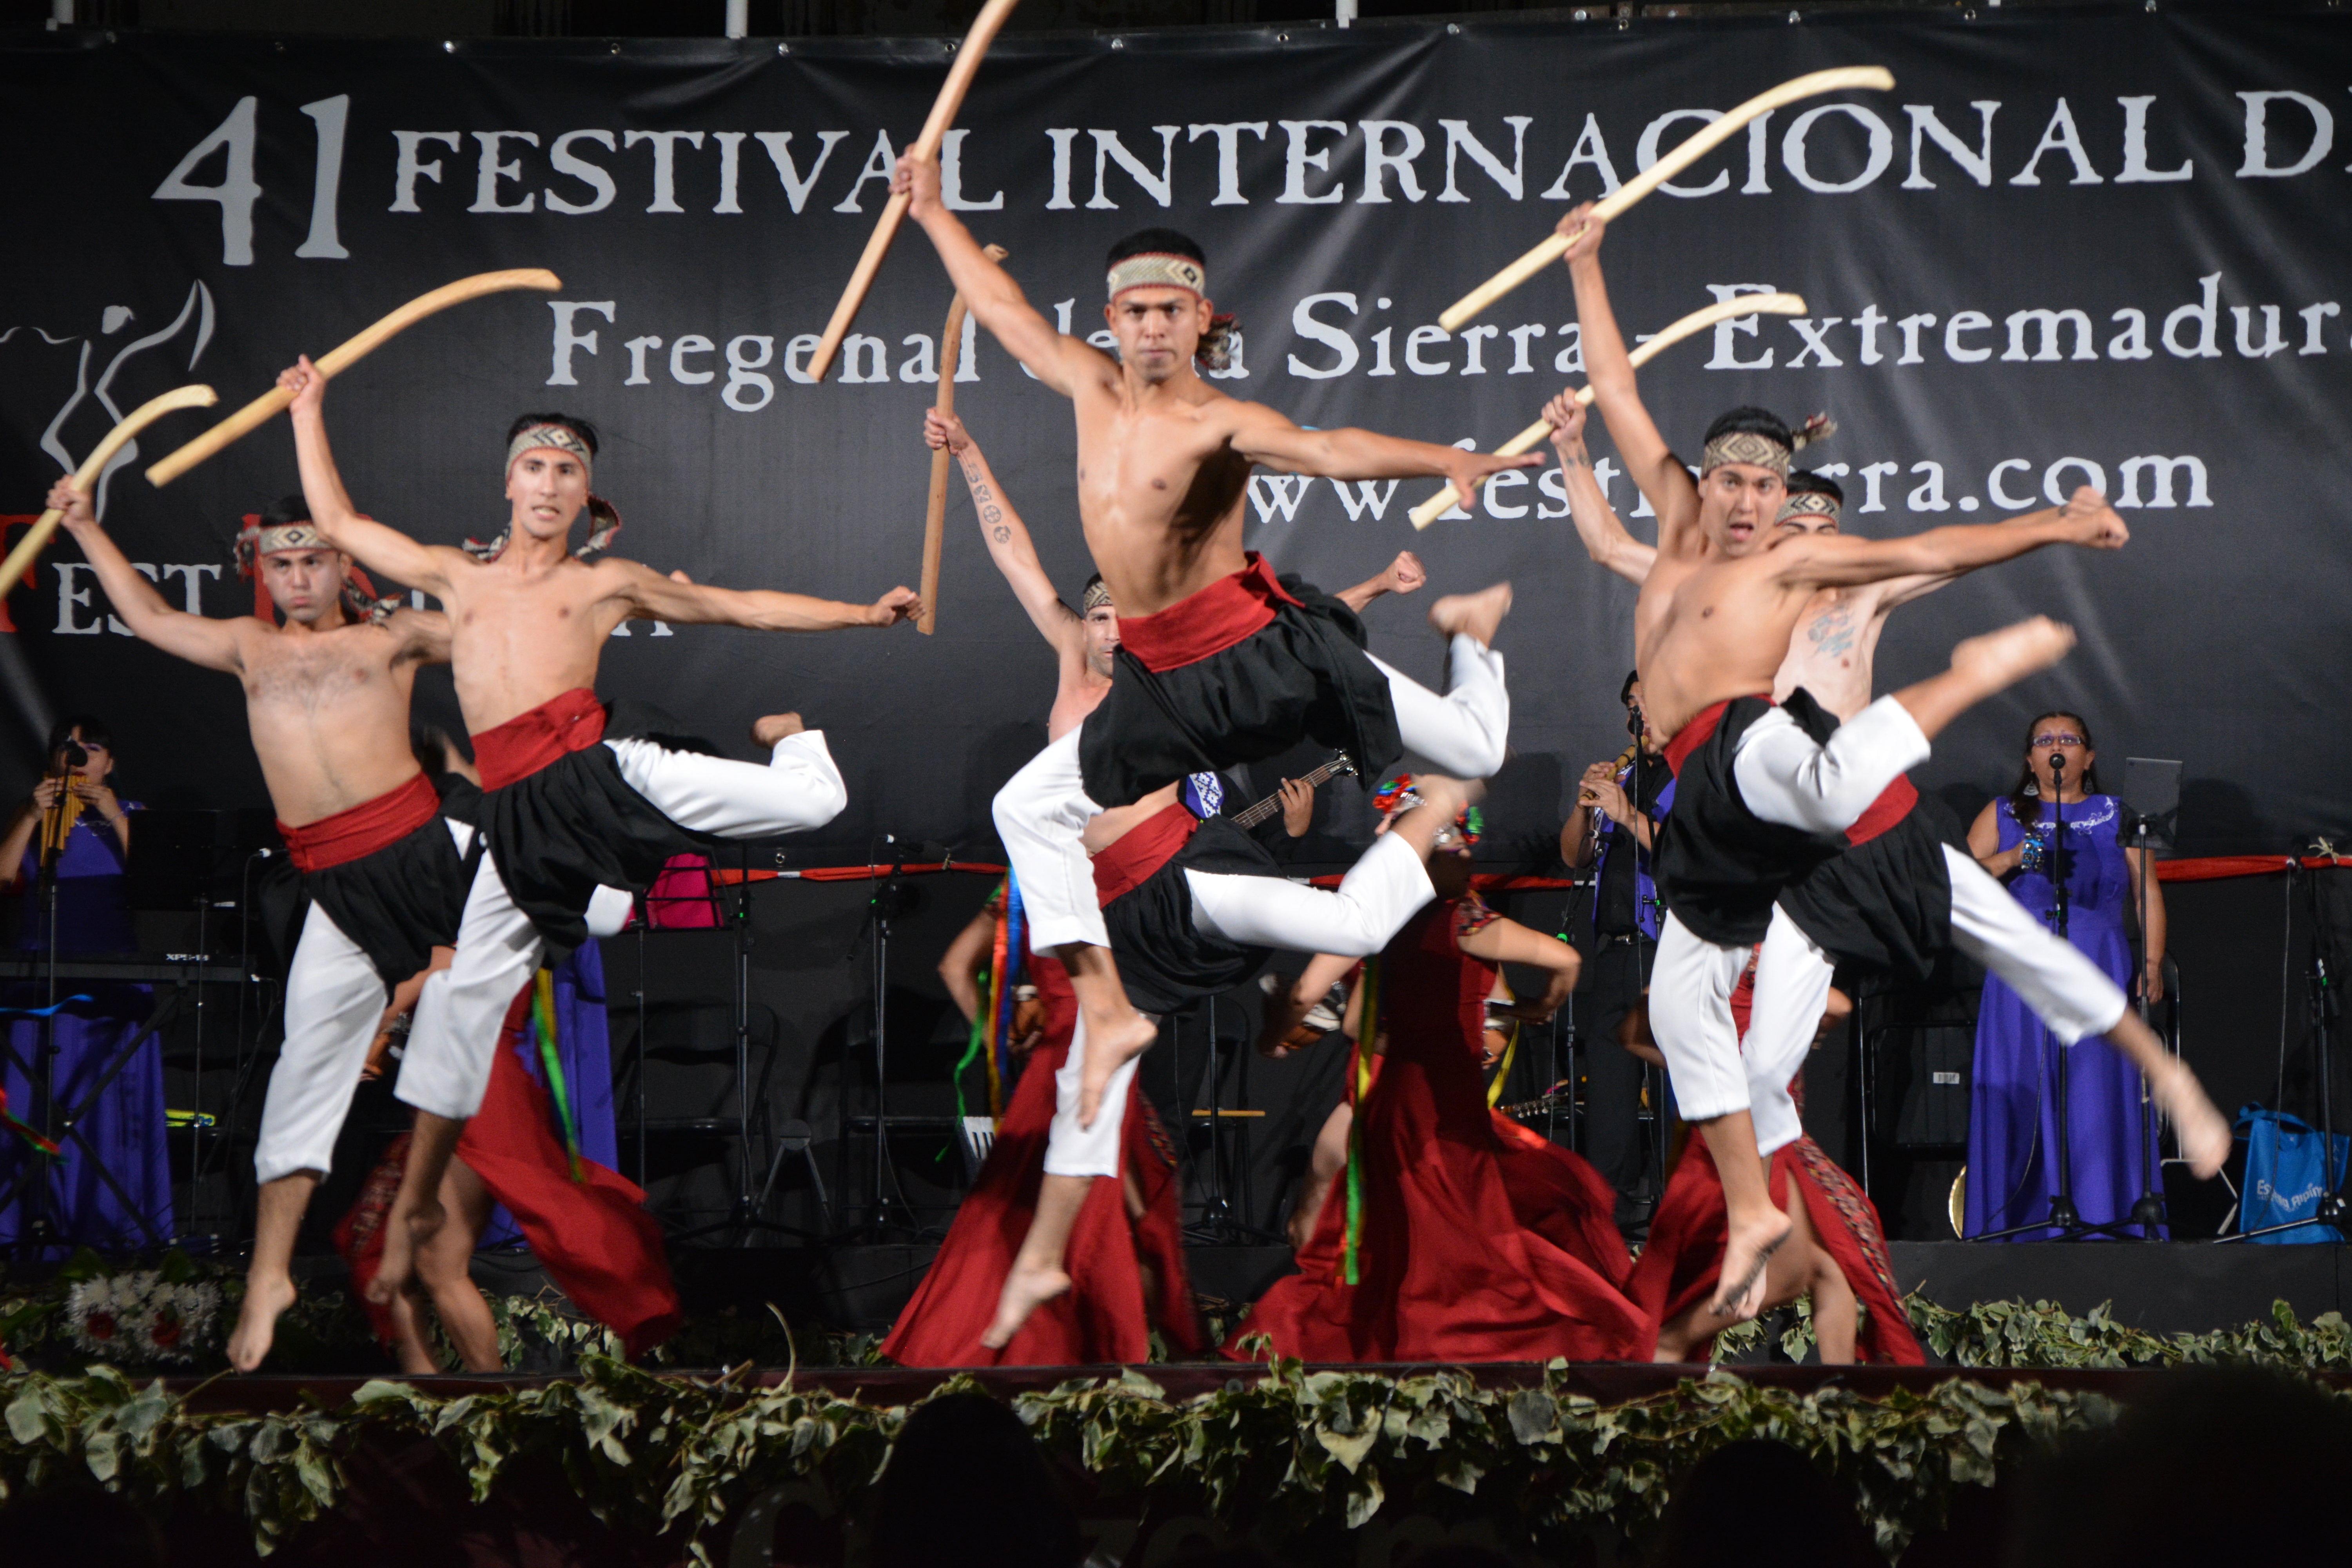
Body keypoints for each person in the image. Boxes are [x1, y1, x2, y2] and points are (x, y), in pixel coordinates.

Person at [1550, 205, 2142, 1316]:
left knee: (1756, 1057)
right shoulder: (1674, 544)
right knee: (1704, 1054)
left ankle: (1810, 1258)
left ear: (1784, 507)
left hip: (1776, 817)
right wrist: (1586, 271)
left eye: (1769, 489)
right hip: (1710, 831)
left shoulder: (1808, 582)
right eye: (1731, 481)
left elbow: (1934, 550)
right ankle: (1786, 1252)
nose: (1748, 502)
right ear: (1704, 482)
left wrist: (2055, 529)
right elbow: (1621, 399)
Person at [897, 142, 1532, 1145]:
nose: (1153, 325)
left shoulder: (1218, 419)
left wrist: (1445, 458)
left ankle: (1473, 641)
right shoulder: (1088, 386)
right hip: (1162, 681)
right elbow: (1005, 309)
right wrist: (930, 211)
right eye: (1135, 309)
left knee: (1477, 751)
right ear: (1112, 320)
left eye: (1172, 309)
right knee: (1024, 801)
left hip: (1253, 653)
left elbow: (1330, 454)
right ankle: (1105, 1006)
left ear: (1203, 319)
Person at [280, 356, 920, 1305]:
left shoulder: (604, 583)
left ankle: (790, 741)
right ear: (509, 482)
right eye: (535, 467)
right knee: (459, 1010)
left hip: (599, 770)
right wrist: (307, 407)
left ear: (586, 496)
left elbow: (739, 607)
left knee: (814, 804)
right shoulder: (456, 579)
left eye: (568, 472)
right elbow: (338, 524)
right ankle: (419, 1207)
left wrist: (864, 615)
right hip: (517, 818)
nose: (549, 484)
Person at [44, 479, 476, 1370]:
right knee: (299, 1074)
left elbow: (495, 628)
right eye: (281, 563)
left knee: (474, 1071)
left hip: (414, 859)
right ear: (264, 574)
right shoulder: (250, 649)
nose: (298, 576)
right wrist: (84, 526)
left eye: (312, 558)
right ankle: (269, 1274)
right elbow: (154, 616)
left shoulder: (390, 637)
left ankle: (473, 1264)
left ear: (340, 562)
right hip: (328, 875)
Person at [886, 410, 1197, 1365]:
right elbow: (1014, 551)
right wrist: (973, 455)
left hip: (1135, 926)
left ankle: (1098, 1321)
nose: (1106, 627)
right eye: (1096, 612)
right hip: (1062, 924)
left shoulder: (1177, 686)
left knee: (1094, 1118)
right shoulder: (1069, 655)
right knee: (1089, 1127)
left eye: (1120, 615)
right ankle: (1102, 1330)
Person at [1227, 779, 1646, 1363]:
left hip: (1401, 1104)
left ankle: (1407, 1345)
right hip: (1451, 1107)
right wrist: (1535, 1008)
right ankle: (1448, 1346)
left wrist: (1276, 1036)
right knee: (1452, 1241)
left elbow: (1318, 1001)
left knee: (1406, 1240)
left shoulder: (1383, 913)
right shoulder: (1465, 919)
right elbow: (1567, 960)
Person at [1624, 970, 1924, 1367]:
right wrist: (1720, 1069)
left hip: (1776, 1136)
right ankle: (1671, 1343)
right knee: (1789, 1275)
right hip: (1742, 1141)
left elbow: (1631, 1036)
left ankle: (1842, 1398)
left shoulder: (1725, 965)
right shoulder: (1744, 960)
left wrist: (1706, 1068)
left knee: (1831, 1266)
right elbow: (1835, 1004)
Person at [1965, 711, 2170, 1239]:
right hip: (2022, 976)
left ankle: (2107, 1223)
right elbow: (1955, 881)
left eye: (2069, 739)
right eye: (2045, 739)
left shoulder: (2115, 813)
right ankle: (2022, 1225)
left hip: (2098, 969)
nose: (2057, 746)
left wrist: (2149, 961)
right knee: (2028, 1092)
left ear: (2089, 755)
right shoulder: (2005, 812)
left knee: (2093, 1096)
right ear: (2031, 757)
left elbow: (2146, 890)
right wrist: (2010, 858)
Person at [0, 713, 165, 1253]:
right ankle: (27, 1224)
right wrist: (30, 813)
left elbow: (155, 878)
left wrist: (113, 811)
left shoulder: (130, 815)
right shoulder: (36, 816)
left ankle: (112, 1227)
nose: (78, 760)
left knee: (106, 1104)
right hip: (40, 983)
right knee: (34, 1100)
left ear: (110, 763)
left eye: (90, 750)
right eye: (67, 749)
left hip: (111, 980)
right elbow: (5, 878)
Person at [1559, 670, 1671, 1224]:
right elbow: (1574, 857)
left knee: (1674, 1086)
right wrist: (1587, 806)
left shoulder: (1692, 774)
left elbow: (1685, 852)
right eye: (1630, 703)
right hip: (1613, 950)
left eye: (1644, 702)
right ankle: (1613, 1217)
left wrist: (1628, 815)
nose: (1636, 714)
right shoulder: (1624, 772)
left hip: (1667, 950)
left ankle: (1685, 1211)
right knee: (1608, 1092)